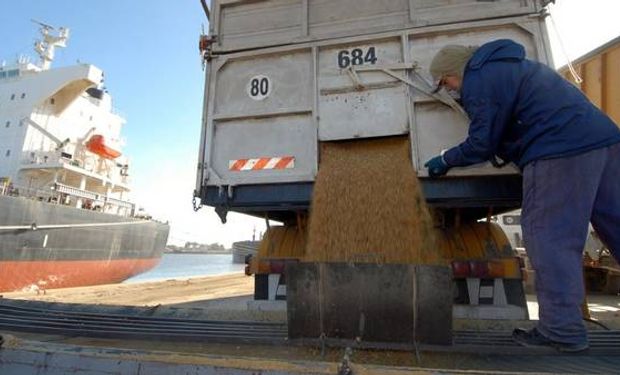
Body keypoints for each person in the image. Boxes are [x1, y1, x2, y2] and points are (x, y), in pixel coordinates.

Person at [425, 39, 620, 353]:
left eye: (445, 82)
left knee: (549, 237)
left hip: (559, 150)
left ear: (455, 72)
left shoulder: (479, 80)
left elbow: (482, 143)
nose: (447, 89)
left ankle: (562, 332)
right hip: (606, 142)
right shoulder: (512, 67)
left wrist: (445, 160)